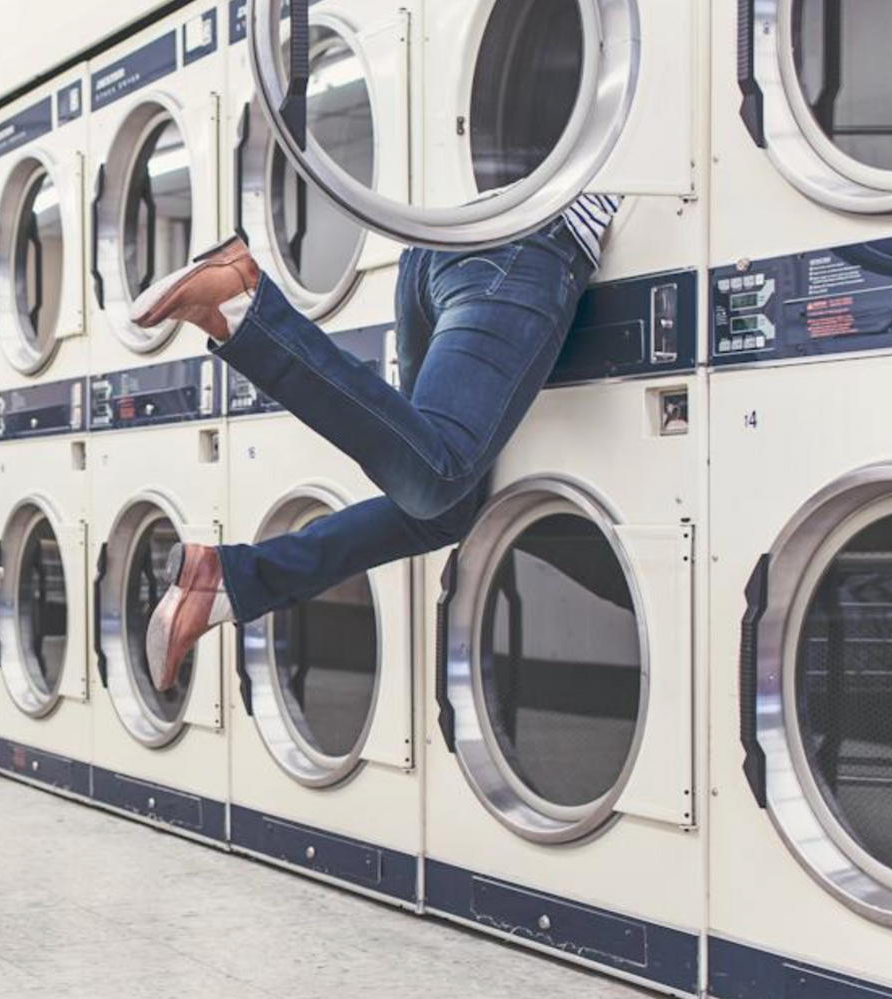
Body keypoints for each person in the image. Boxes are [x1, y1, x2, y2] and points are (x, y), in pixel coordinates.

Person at [135, 195, 619, 691]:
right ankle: (243, 307)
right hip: (526, 249)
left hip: (439, 252)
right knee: (437, 477)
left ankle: (226, 581)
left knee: (438, 510)